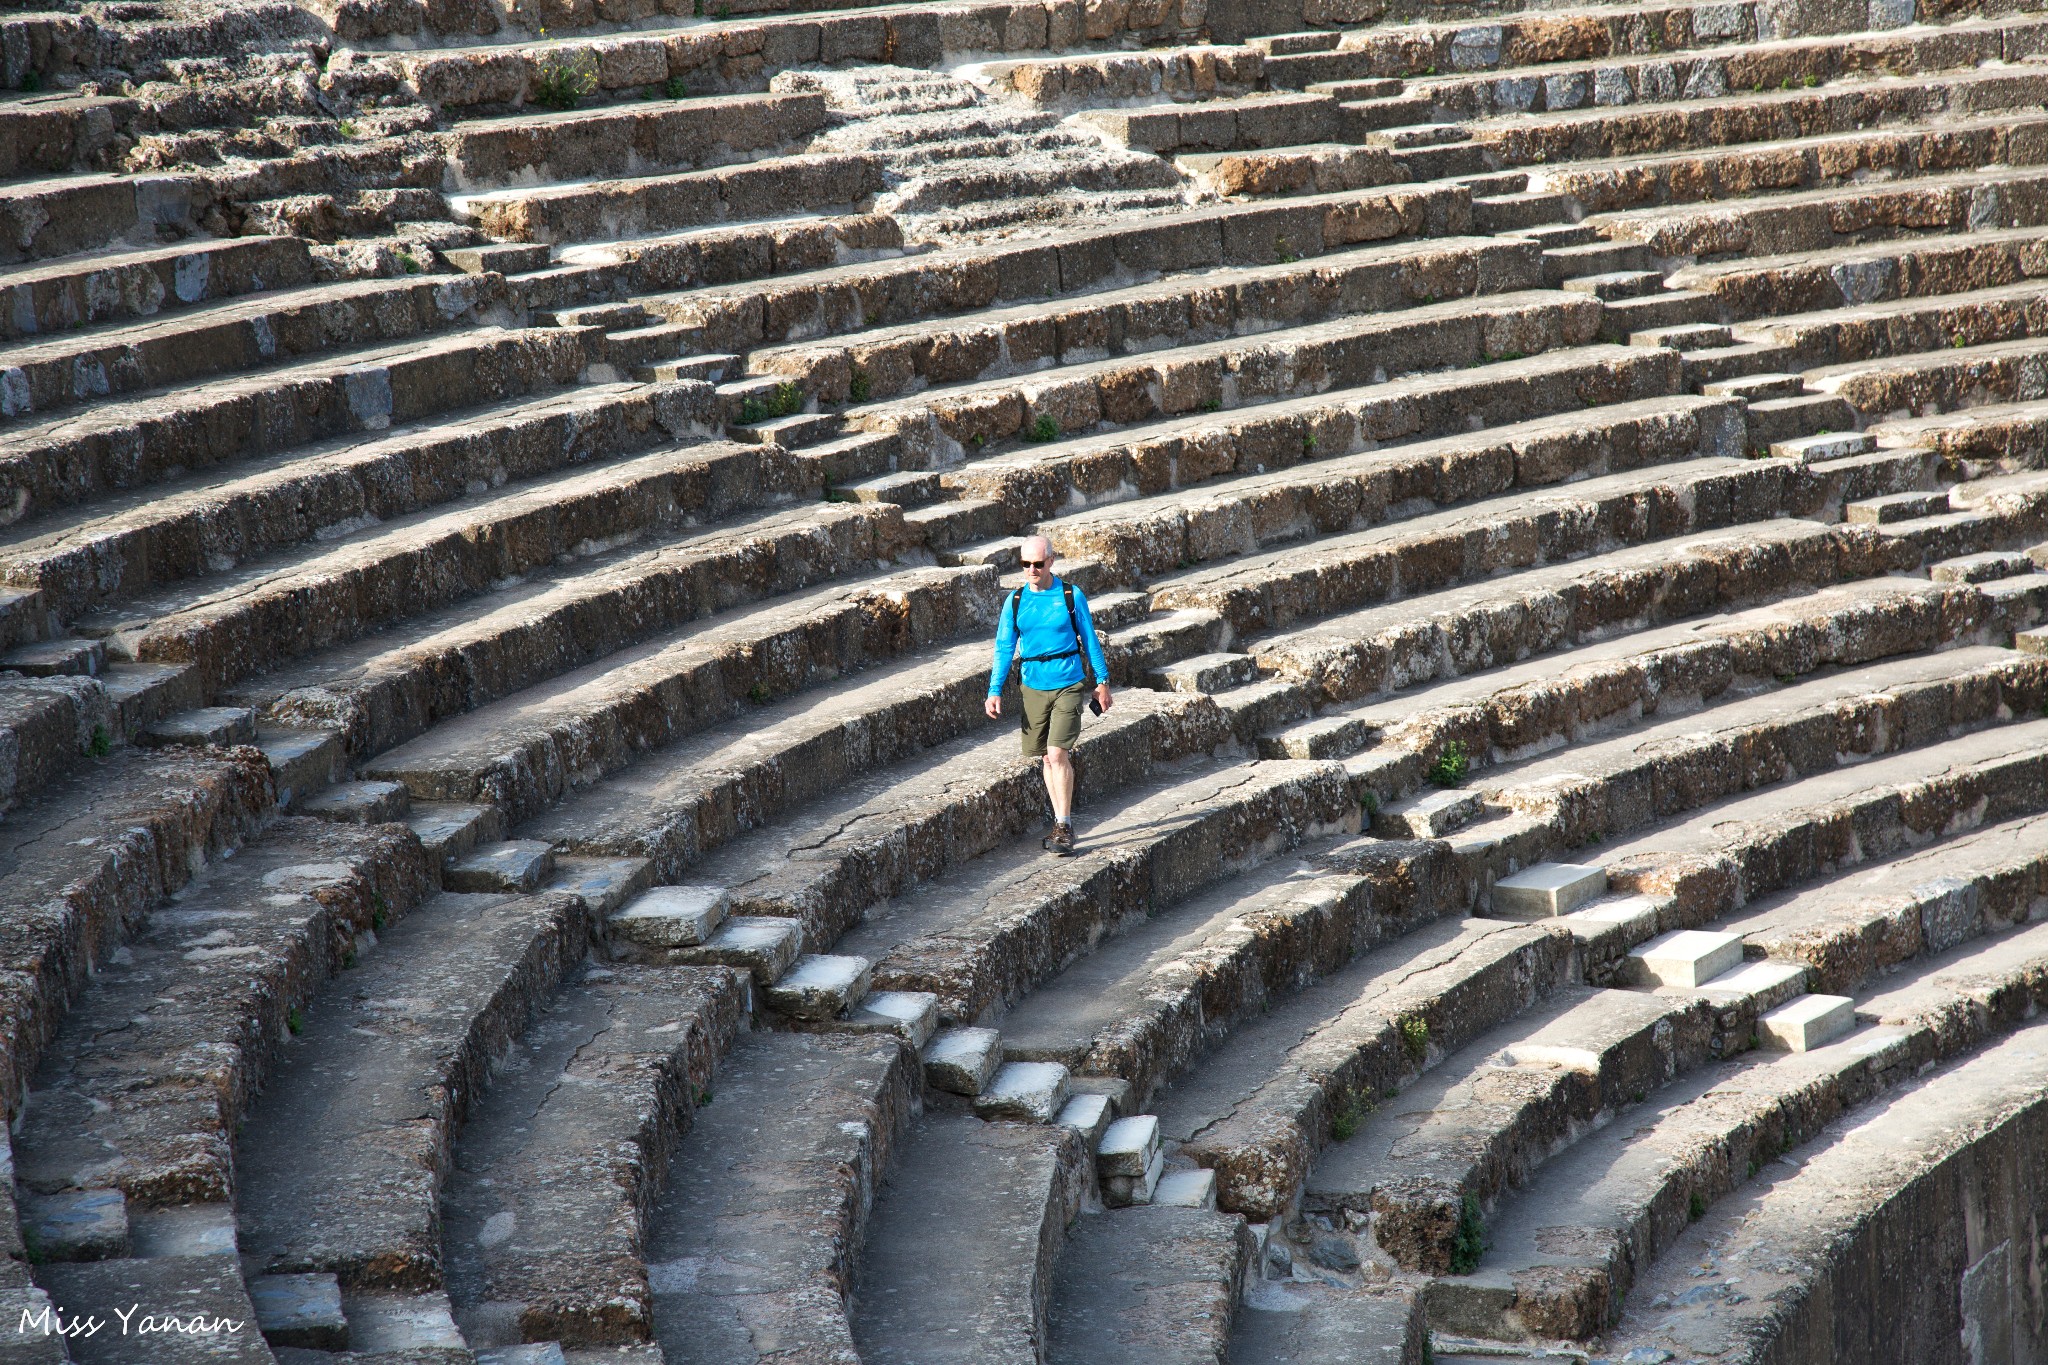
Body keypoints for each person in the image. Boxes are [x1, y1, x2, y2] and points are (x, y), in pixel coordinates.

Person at [984, 535, 1113, 856]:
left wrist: (1103, 680)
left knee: (1057, 754)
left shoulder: (1071, 595)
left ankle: (1065, 823)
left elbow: (1089, 638)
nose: (1031, 569)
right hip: (1032, 686)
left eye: (1038, 564)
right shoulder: (1014, 601)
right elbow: (1003, 648)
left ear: (1051, 561)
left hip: (1068, 682)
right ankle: (1059, 821)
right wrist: (994, 690)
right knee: (1045, 756)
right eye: (1025, 564)